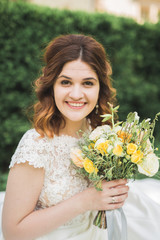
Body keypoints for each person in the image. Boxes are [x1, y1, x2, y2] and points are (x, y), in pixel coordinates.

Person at [0, 34, 129, 240]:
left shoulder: (102, 137)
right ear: (51, 86)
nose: (77, 94)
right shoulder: (36, 145)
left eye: (87, 83)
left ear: (100, 89)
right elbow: (12, 232)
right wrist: (86, 201)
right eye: (66, 82)